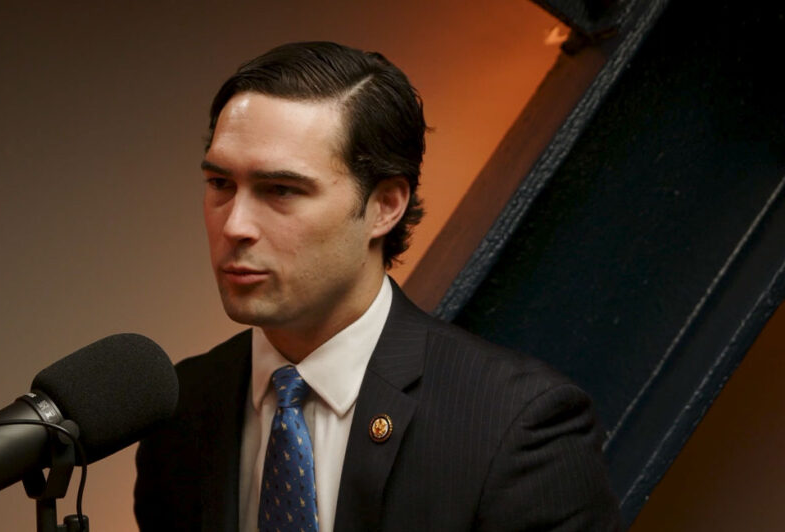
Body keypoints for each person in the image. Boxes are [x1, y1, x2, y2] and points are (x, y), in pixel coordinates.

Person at [135, 41, 620, 531]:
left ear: (385, 206)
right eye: (220, 184)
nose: (235, 225)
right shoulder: (182, 408)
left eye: (281, 190)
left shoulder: (515, 424)